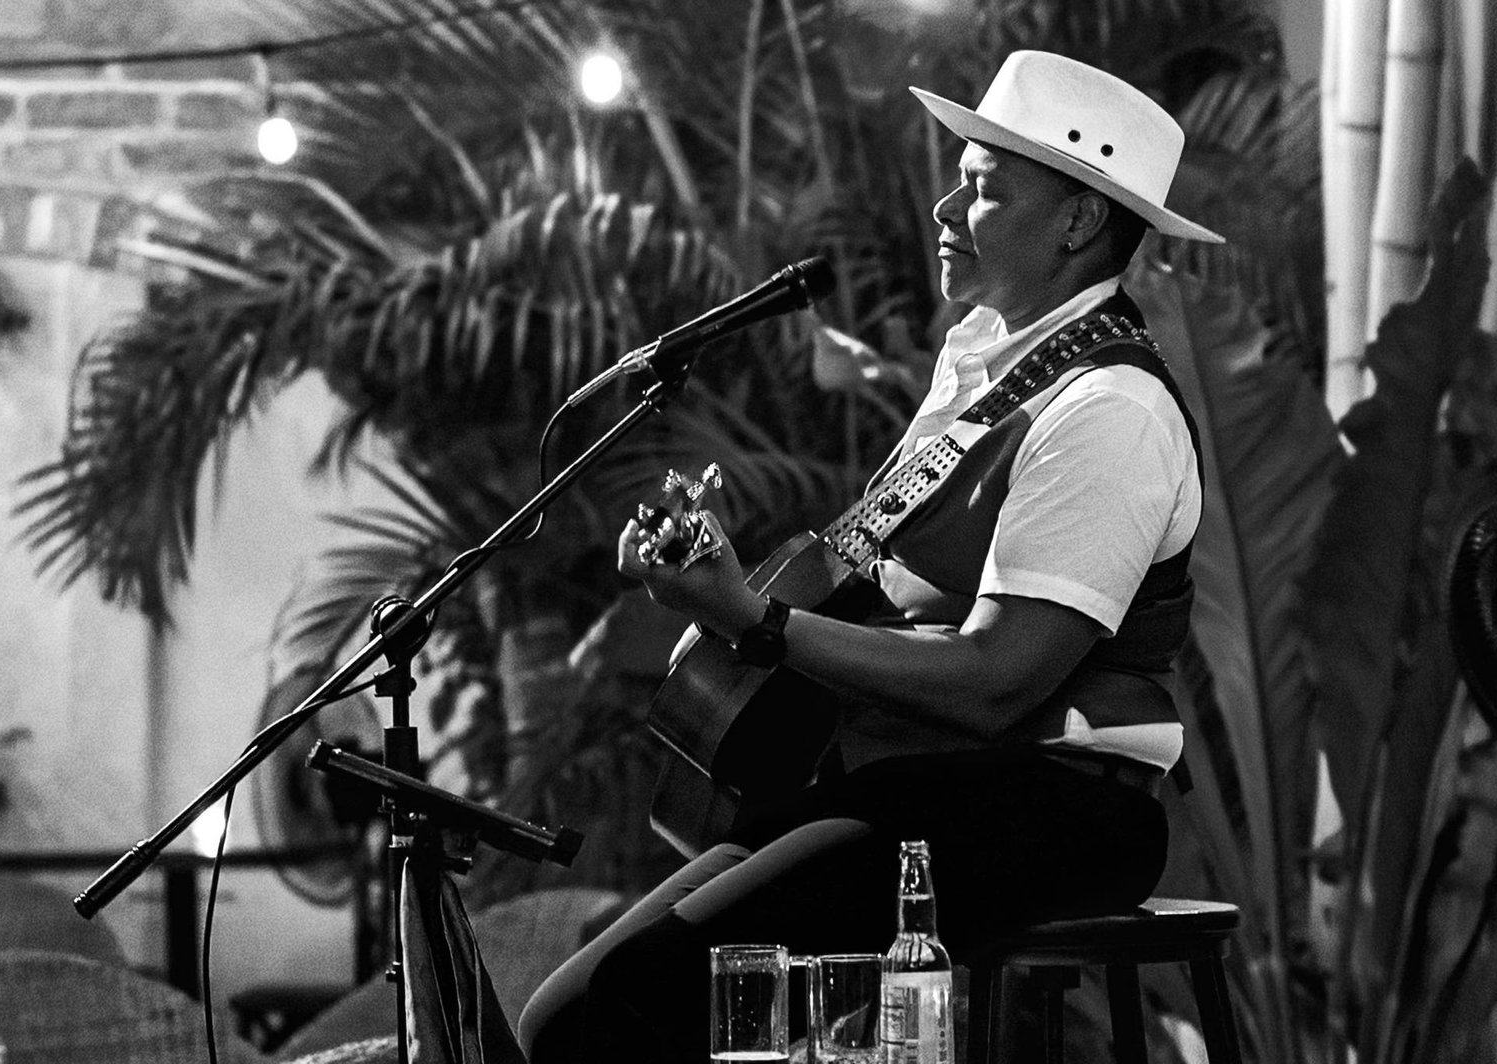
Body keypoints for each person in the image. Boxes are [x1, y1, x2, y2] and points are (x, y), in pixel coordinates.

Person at [518, 50, 1224, 1064]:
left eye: (984, 188)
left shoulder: (1110, 408)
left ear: (1076, 222)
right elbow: (881, 582)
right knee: (566, 1016)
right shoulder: (987, 364)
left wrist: (759, 620)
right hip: (916, 784)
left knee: (633, 1003)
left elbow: (995, 680)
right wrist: (727, 588)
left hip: (1051, 802)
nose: (945, 207)